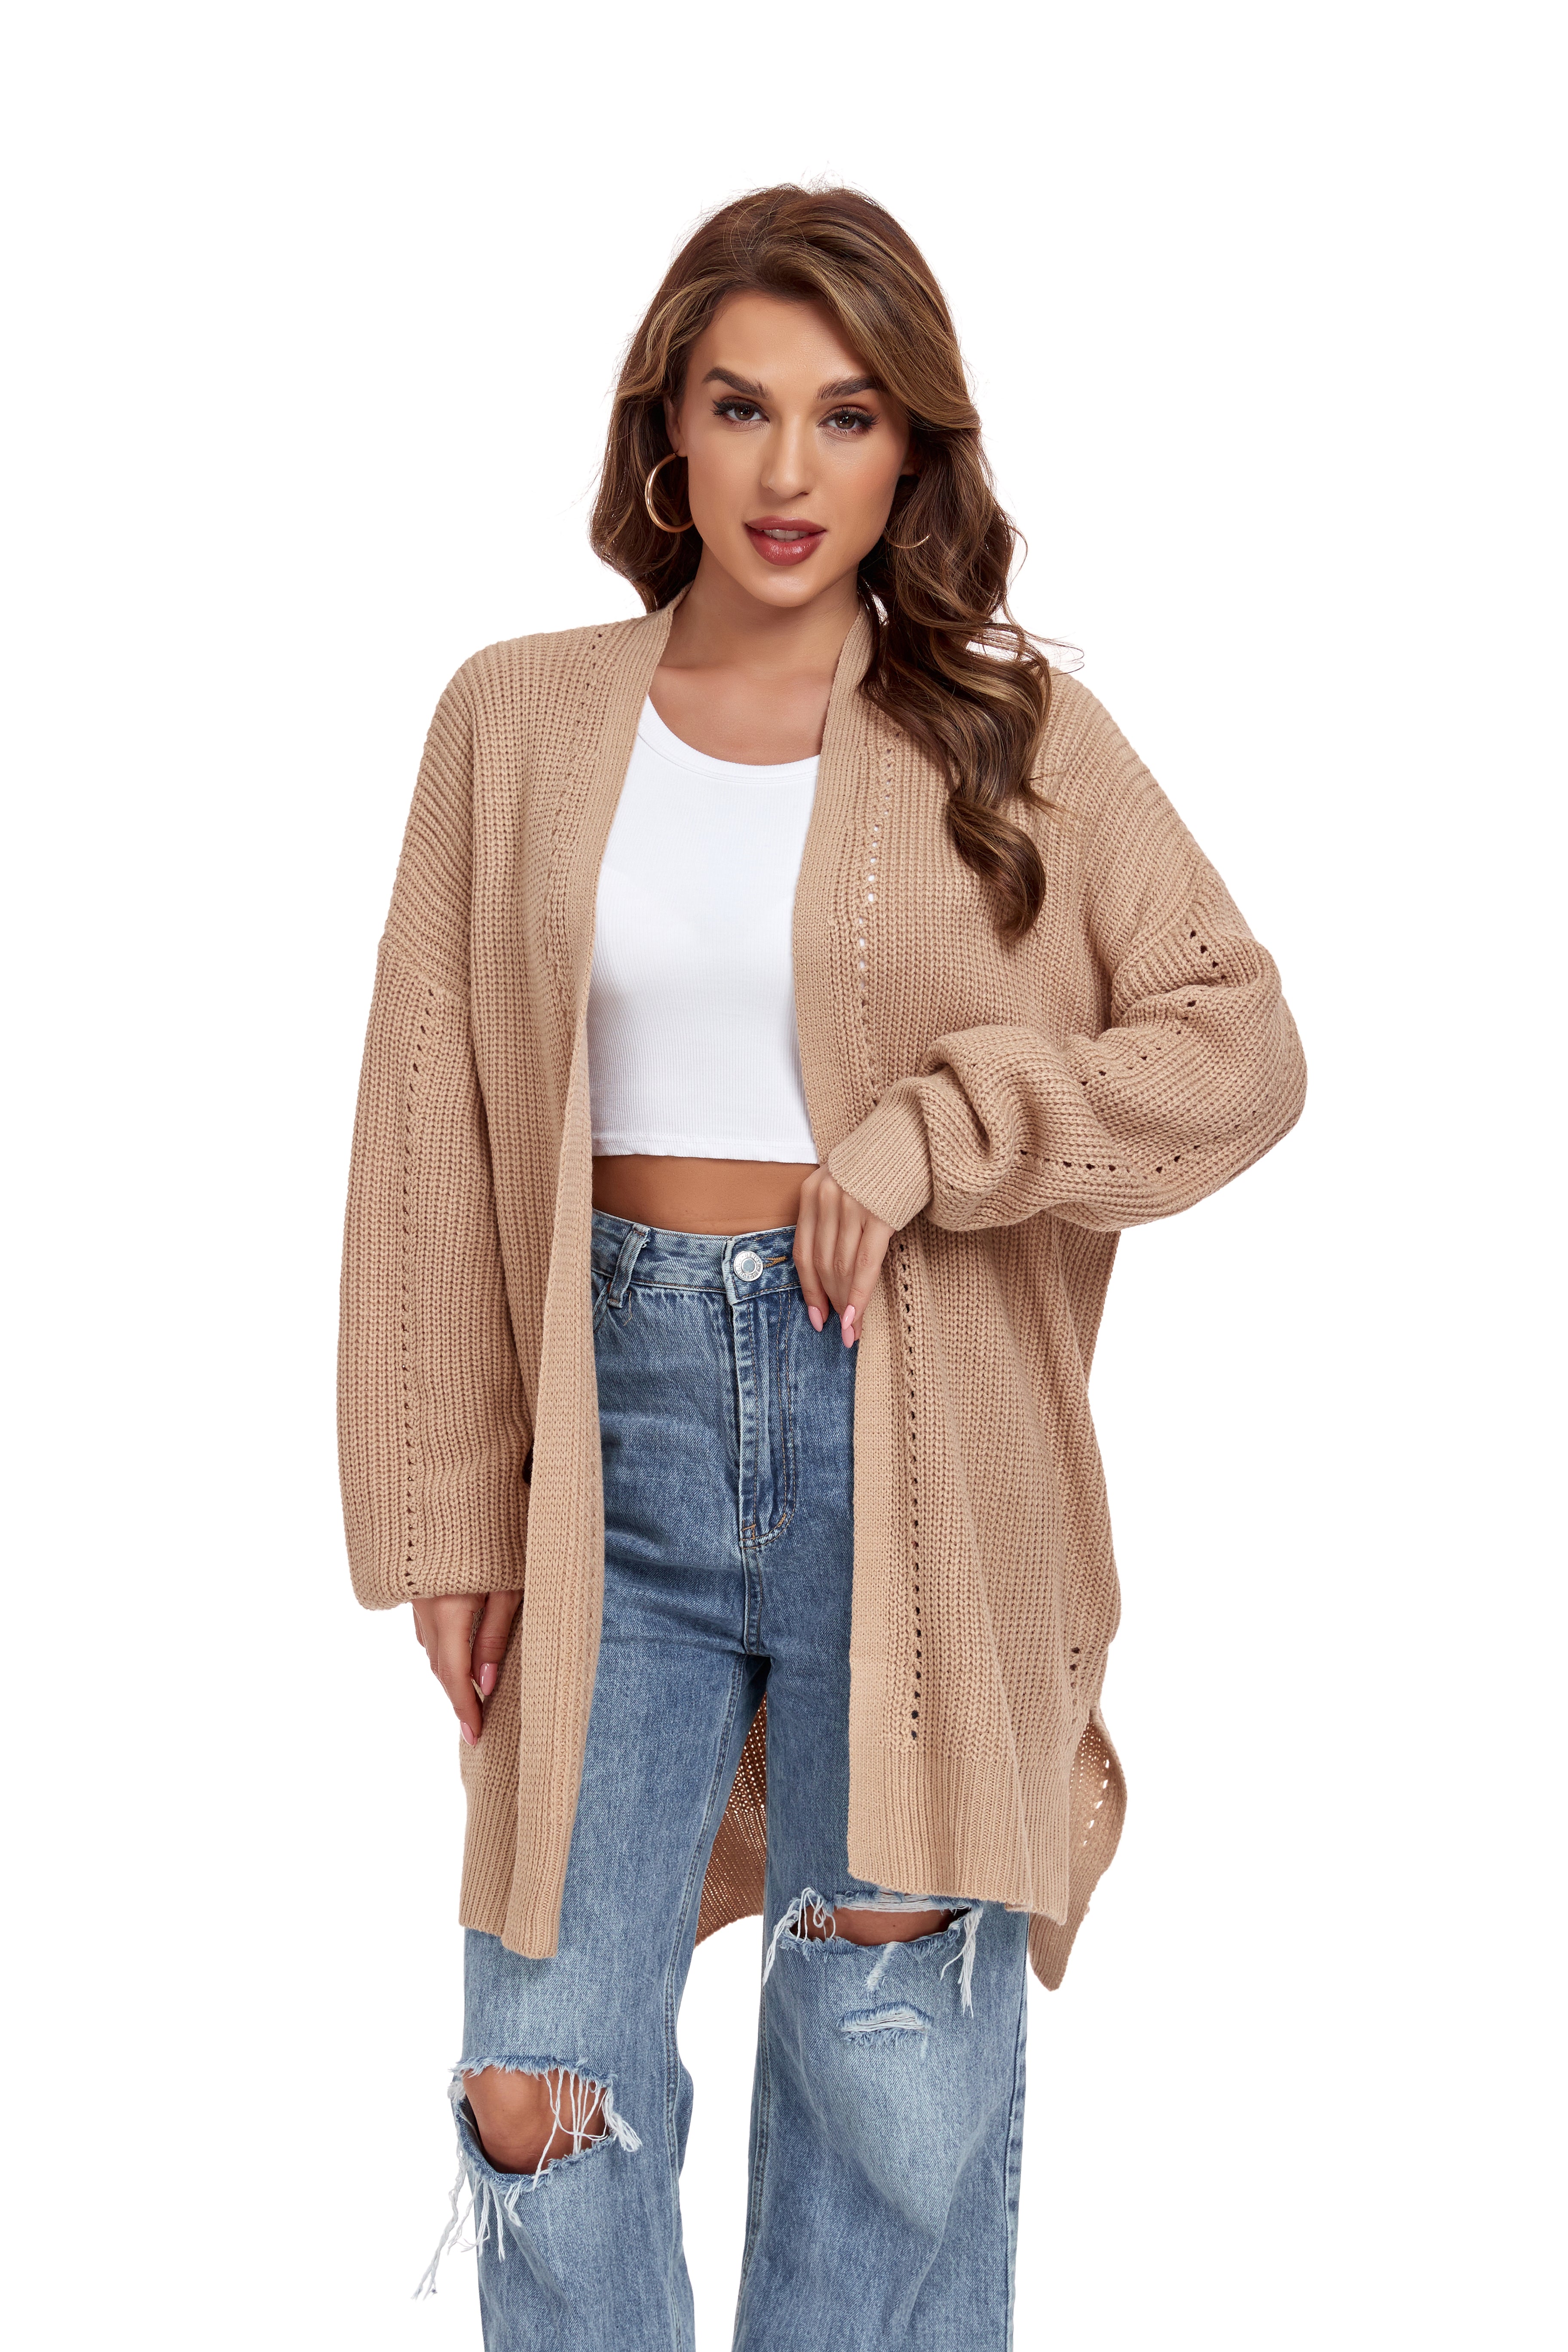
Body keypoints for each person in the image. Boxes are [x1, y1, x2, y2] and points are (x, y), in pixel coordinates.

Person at [337, 183, 1306, 2351]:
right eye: (742, 406)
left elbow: (1240, 1044)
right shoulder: (515, 721)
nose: (791, 469)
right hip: (613, 1456)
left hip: (920, 1448)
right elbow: (429, 1120)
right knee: (539, 2082)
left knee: (891, 2082)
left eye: (848, 415)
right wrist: (443, 1508)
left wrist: (946, 1130)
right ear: (664, 437)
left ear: (909, 452)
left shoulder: (1010, 735)